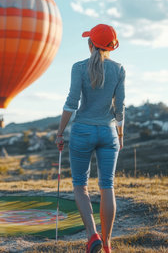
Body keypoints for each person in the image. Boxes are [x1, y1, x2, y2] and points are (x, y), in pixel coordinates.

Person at [55, 24, 125, 253]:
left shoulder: (78, 68)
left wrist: (59, 132)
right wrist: (120, 135)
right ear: (111, 48)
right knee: (107, 186)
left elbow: (71, 102)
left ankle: (92, 236)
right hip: (108, 132)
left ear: (90, 44)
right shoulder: (119, 69)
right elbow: (120, 107)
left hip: (82, 132)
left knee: (80, 186)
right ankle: (106, 244)